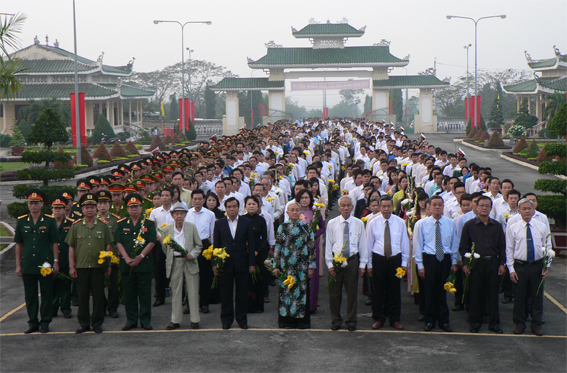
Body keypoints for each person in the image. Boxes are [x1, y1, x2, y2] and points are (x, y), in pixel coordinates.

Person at [66, 193, 113, 334]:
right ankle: (84, 323)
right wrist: (71, 266)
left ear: (96, 208)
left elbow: (108, 245)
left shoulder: (103, 226)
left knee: (98, 296)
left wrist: (108, 264)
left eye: (92, 207)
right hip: (81, 267)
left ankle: (97, 323)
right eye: (87, 207)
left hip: (98, 267)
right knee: (83, 296)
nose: (90, 209)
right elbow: (72, 247)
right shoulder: (76, 226)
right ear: (82, 209)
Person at [459, 196, 506, 334]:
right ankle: (475, 322)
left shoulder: (497, 226)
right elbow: (463, 247)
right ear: (476, 207)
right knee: (475, 294)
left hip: (493, 263)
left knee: (493, 295)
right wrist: (465, 264)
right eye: (481, 205)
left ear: (491, 208)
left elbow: (502, 246)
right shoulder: (469, 225)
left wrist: (502, 263)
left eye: (487, 206)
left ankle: (494, 323)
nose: (484, 208)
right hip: (475, 264)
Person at [14, 189, 59, 334]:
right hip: (28, 264)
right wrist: (18, 264)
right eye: (31, 203)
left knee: (46, 294)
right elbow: (19, 244)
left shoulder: (49, 221)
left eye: (36, 203)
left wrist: (56, 261)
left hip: (45, 264)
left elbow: (54, 243)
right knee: (30, 295)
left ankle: (45, 321)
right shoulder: (22, 221)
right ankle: (32, 322)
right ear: (28, 204)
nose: (33, 206)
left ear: (42, 204)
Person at [506, 198, 552, 336]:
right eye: (524, 209)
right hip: (520, 266)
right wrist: (511, 269)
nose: (527, 211)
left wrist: (547, 266)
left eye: (529, 208)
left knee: (537, 297)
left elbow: (548, 247)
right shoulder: (513, 227)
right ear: (519, 210)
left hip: (537, 266)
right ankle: (519, 324)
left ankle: (536, 324)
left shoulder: (541, 226)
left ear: (534, 210)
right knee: (520, 297)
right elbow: (509, 249)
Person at [414, 196, 459, 332]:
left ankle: (444, 321)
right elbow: (417, 246)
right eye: (434, 205)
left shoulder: (450, 223)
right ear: (430, 207)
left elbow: (454, 243)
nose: (437, 207)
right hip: (429, 259)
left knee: (442, 291)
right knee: (429, 291)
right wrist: (420, 265)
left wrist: (454, 262)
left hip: (444, 260)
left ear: (443, 206)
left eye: (440, 205)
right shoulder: (421, 224)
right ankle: (429, 320)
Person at [115, 193, 157, 331]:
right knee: (129, 295)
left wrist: (141, 256)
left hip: (143, 265)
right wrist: (126, 258)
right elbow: (118, 242)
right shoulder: (121, 224)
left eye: (137, 206)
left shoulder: (149, 223)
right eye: (131, 207)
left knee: (145, 294)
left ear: (141, 207)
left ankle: (145, 320)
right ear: (127, 209)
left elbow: (152, 241)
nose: (134, 209)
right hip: (127, 265)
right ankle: (131, 320)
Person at [367, 196, 409, 330]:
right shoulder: (373, 222)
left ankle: (394, 318)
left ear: (392, 207)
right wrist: (369, 264)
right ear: (379, 207)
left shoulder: (400, 222)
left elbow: (404, 243)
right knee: (377, 290)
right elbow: (368, 244)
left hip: (395, 259)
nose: (386, 209)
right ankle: (379, 318)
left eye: (388, 206)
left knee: (394, 291)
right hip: (378, 259)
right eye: (383, 206)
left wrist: (404, 262)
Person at [325, 196, 367, 331]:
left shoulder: (358, 223)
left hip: (352, 261)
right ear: (339, 207)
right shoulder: (332, 223)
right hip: (336, 260)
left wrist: (362, 265)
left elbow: (363, 245)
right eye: (343, 205)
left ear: (352, 207)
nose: (346, 208)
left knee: (351, 292)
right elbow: (328, 245)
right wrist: (330, 264)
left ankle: (351, 320)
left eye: (348, 205)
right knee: (334, 293)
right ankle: (336, 319)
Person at [213, 197, 255, 330]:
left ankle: (242, 320)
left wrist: (252, 263)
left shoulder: (246, 222)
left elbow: (251, 244)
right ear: (225, 208)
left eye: (234, 206)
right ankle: (226, 320)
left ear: (239, 207)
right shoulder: (219, 223)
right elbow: (216, 245)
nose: (232, 209)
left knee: (242, 294)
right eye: (229, 207)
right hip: (225, 264)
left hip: (242, 262)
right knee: (226, 294)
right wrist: (215, 264)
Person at [273, 202, 316, 329]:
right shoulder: (282, 227)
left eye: (297, 210)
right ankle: (287, 321)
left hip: (302, 267)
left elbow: (312, 248)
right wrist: (276, 266)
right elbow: (278, 248)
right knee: (286, 293)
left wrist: (311, 266)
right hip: (285, 266)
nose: (295, 212)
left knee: (301, 293)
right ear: (287, 212)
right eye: (292, 210)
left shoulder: (306, 227)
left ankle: (302, 321)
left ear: (301, 212)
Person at [161, 202, 203, 330]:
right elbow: (165, 248)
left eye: (182, 213)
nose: (179, 216)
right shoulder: (166, 229)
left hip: (189, 261)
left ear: (185, 214)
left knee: (193, 291)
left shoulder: (191, 227)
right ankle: (175, 320)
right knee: (176, 291)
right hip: (176, 262)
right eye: (177, 213)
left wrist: (193, 254)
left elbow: (199, 245)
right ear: (173, 215)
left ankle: (195, 320)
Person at [185, 189, 216, 314]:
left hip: (204, 245)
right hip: (190, 245)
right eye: (195, 199)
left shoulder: (210, 214)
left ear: (204, 200)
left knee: (205, 276)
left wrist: (212, 246)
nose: (197, 201)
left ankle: (204, 303)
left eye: (200, 199)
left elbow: (212, 231)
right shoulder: (186, 213)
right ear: (192, 200)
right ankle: (189, 304)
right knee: (190, 276)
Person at [295, 189, 325, 313]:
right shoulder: (294, 212)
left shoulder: (315, 213)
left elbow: (322, 227)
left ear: (310, 199)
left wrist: (314, 234)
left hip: (312, 247)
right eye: (302, 198)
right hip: (297, 247)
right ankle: (298, 304)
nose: (304, 200)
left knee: (312, 277)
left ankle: (311, 305)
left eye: (307, 197)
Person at [96, 190, 121, 318]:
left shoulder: (115, 220)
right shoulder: (92, 219)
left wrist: (119, 256)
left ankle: (113, 307)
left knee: (113, 285)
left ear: (109, 204)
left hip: (113, 256)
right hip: (97, 258)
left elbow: (118, 239)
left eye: (105, 202)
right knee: (98, 285)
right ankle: (101, 306)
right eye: (100, 203)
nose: (102, 206)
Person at [243, 195, 269, 313]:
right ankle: (247, 305)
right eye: (249, 204)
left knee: (259, 278)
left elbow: (264, 238)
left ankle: (259, 305)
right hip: (244, 253)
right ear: (245, 206)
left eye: (254, 204)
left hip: (259, 253)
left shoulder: (261, 220)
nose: (251, 206)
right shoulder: (242, 219)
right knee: (246, 280)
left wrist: (257, 250)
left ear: (258, 206)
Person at [50, 195, 74, 319]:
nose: (57, 210)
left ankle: (65, 308)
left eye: (60, 208)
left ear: (65, 209)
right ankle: (53, 308)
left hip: (65, 258)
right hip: (51, 260)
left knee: (65, 286)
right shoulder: (48, 223)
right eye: (55, 208)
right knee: (52, 286)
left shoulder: (71, 224)